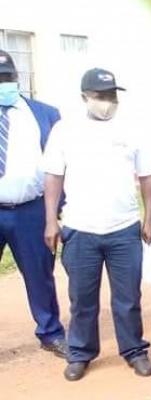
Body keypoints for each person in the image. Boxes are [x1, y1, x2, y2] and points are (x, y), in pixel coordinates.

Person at [42, 68, 151, 381]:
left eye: (112, 96)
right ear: (84, 97)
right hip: (80, 229)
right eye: (101, 96)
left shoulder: (133, 128)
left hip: (124, 229)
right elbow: (53, 176)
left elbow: (147, 177)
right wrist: (51, 220)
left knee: (128, 298)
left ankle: (134, 350)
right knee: (82, 299)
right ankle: (80, 353)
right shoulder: (64, 131)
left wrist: (148, 219)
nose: (108, 102)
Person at [0, 50, 67, 359]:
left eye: (7, 78)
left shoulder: (45, 114)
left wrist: (56, 211)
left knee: (40, 273)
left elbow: (61, 165)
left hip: (31, 211)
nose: (4, 84)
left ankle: (51, 332)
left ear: (18, 78)